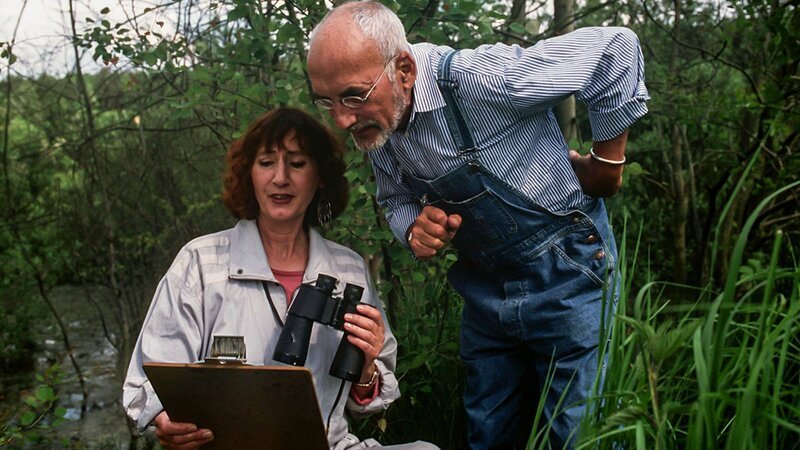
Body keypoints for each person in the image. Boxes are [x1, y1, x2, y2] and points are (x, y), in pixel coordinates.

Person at [306, 2, 649, 449]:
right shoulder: (379, 124)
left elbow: (614, 50)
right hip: (485, 292)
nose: (342, 119)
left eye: (353, 95)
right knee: (488, 432)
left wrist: (607, 164)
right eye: (326, 102)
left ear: (404, 70)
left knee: (580, 434)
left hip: (569, 276)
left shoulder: (480, 78)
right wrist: (414, 228)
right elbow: (396, 199)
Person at [122, 107, 438, 450]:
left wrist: (367, 369)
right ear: (249, 174)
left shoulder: (347, 270)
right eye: (266, 162)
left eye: (297, 163)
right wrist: (163, 419)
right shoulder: (200, 262)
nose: (281, 178)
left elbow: (370, 402)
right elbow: (151, 377)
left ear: (319, 176)